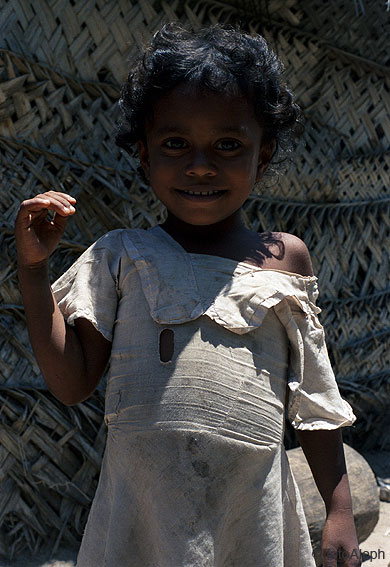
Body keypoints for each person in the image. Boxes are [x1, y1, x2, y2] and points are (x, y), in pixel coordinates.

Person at [15, 23, 361, 567]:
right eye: (176, 144)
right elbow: (72, 382)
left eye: (228, 145)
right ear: (145, 156)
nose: (201, 165)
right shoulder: (122, 255)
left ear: (263, 155)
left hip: (248, 515)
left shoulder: (284, 260)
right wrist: (34, 273)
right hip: (142, 516)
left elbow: (314, 397)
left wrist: (339, 509)